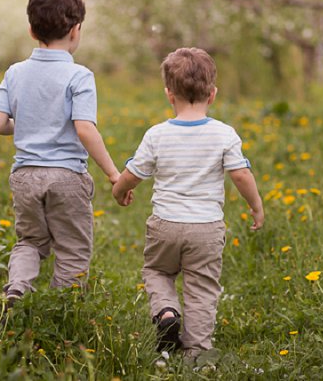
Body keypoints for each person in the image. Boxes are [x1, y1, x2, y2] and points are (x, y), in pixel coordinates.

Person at [112, 47, 264, 362]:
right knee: (202, 288)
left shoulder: (156, 135)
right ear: (213, 94)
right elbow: (241, 174)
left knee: (156, 270)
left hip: (165, 224)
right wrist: (256, 206)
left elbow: (132, 174)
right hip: (206, 229)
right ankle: (196, 352)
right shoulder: (225, 134)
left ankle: (166, 312)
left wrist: (119, 191)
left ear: (169, 94)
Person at [0, 0, 119, 308]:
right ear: (76, 31)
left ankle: (17, 285)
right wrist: (114, 174)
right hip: (66, 178)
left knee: (30, 241)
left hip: (26, 176)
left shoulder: (15, 72)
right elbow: (85, 129)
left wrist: (28, 124)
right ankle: (63, 309)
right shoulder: (79, 76)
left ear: (32, 31)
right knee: (73, 249)